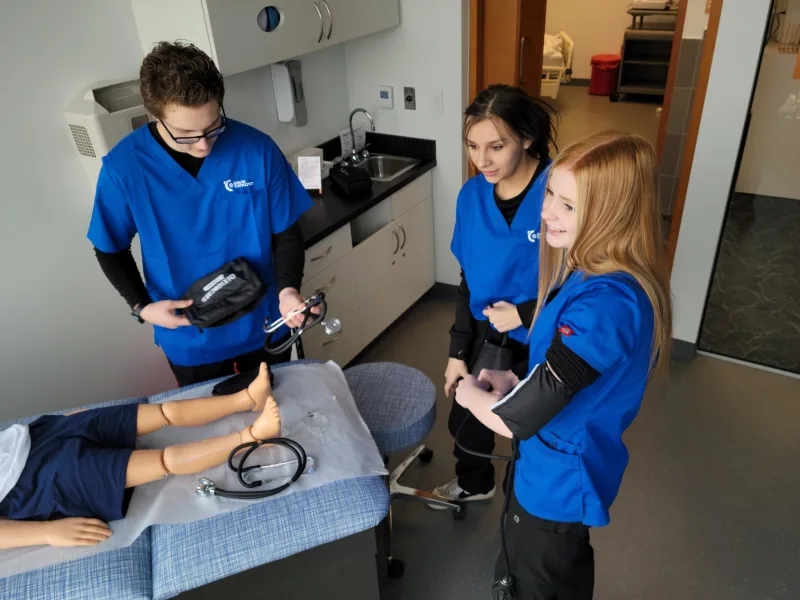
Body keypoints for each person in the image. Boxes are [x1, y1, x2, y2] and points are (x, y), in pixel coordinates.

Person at [454, 131, 672, 598]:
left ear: (611, 214)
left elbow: (517, 419)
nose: (546, 211)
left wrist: (467, 392)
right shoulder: (583, 268)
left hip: (557, 482)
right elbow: (561, 367)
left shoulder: (608, 304)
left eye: (567, 205)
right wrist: (516, 377)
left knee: (534, 582)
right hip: (545, 461)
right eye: (550, 193)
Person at [87, 41, 316, 388]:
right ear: (156, 115)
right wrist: (142, 307)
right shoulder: (125, 169)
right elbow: (109, 247)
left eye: (212, 126)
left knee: (275, 416)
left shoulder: (257, 149)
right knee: (215, 433)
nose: (203, 144)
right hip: (191, 339)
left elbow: (286, 233)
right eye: (184, 134)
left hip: (266, 323)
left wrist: (288, 291)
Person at [433, 84, 558, 506]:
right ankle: (476, 483)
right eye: (472, 146)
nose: (481, 160)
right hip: (488, 337)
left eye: (496, 146)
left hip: (546, 338)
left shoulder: (560, 192)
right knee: (466, 424)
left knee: (534, 432)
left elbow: (584, 281)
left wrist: (525, 313)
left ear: (526, 138)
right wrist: (457, 351)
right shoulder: (472, 196)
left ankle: (524, 507)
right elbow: (468, 276)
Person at [0, 364, 280, 549]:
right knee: (164, 462)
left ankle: (246, 399)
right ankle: (252, 437)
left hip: (36, 436)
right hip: (36, 484)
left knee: (163, 413)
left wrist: (60, 423)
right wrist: (47, 532)